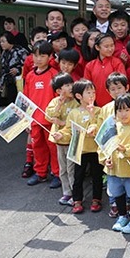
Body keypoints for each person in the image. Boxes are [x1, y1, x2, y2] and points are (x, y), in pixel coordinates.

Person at [51, 79, 102, 214]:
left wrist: (92, 117)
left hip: (96, 149)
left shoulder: (98, 111)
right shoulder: (74, 113)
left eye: (93, 92)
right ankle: (77, 199)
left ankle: (96, 199)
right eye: (88, 92)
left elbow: (99, 126)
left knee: (96, 176)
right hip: (80, 150)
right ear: (79, 96)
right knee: (78, 176)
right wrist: (61, 135)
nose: (92, 95)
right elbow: (69, 130)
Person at [105, 93, 130, 234]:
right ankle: (122, 216)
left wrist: (125, 149)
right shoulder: (113, 127)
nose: (123, 114)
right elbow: (103, 146)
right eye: (120, 110)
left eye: (127, 109)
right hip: (114, 169)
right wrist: (105, 159)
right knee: (117, 193)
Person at [24, 41, 60, 188]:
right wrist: (26, 119)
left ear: (50, 57)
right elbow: (25, 99)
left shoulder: (54, 75)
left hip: (50, 120)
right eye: (35, 55)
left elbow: (59, 99)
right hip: (34, 120)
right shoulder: (30, 76)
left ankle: (57, 174)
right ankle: (40, 172)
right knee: (37, 146)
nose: (38, 59)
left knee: (53, 147)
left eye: (42, 55)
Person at [96, 72, 130, 219]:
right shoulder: (105, 109)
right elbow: (101, 136)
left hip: (129, 153)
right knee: (114, 185)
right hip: (111, 155)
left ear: (127, 87)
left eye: (119, 88)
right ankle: (116, 205)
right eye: (113, 89)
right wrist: (104, 157)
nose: (116, 92)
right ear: (108, 92)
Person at [46, 73, 78, 206]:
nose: (71, 87)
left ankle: (75, 194)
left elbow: (76, 121)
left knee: (72, 169)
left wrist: (62, 122)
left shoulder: (76, 101)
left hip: (72, 140)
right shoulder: (55, 102)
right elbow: (49, 116)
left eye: (71, 84)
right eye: (67, 85)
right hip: (59, 141)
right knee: (62, 169)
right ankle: (67, 192)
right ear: (59, 91)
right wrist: (59, 105)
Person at [83, 33, 126, 107]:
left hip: (115, 103)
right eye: (106, 46)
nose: (110, 49)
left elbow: (122, 84)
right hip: (95, 104)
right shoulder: (90, 66)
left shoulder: (117, 63)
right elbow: (87, 87)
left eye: (112, 45)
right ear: (97, 47)